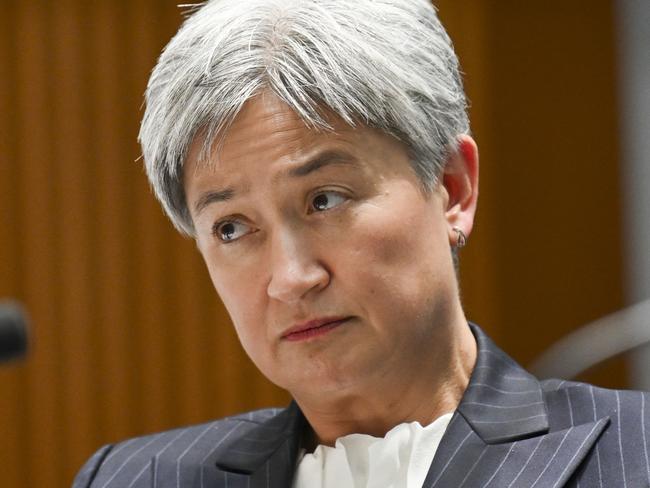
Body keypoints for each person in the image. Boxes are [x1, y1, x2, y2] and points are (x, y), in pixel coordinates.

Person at [74, 1, 650, 487]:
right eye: (231, 226)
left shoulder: (634, 453)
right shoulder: (130, 477)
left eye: (325, 199)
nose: (292, 278)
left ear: (451, 188)